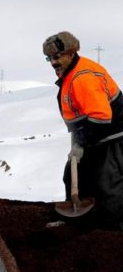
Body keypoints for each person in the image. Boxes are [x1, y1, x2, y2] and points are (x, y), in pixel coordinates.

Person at [43, 31, 123, 229]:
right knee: (74, 175)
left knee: (107, 185)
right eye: (50, 58)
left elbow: (102, 117)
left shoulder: (83, 77)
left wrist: (82, 142)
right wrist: (80, 139)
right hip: (94, 135)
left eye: (57, 56)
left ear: (71, 53)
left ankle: (112, 235)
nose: (53, 62)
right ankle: (82, 224)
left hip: (113, 136)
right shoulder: (70, 73)